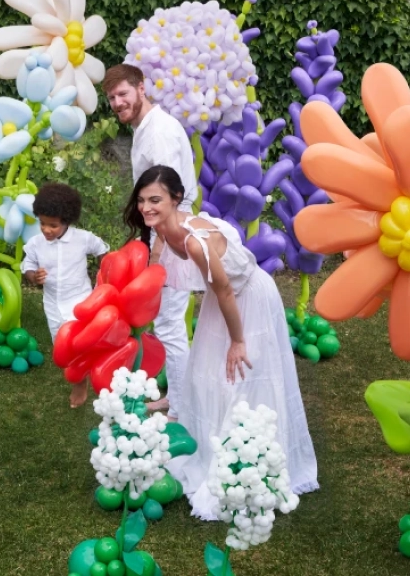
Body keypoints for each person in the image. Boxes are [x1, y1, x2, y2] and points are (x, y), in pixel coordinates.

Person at [124, 165, 318, 521]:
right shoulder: (162, 230)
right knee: (204, 376)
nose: (147, 207)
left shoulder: (193, 240)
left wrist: (238, 341)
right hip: (221, 302)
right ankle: (211, 450)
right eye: (141, 200)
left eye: (155, 200)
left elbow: (226, 288)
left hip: (247, 300)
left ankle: (247, 461)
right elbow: (155, 269)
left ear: (175, 199)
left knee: (239, 379)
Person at [103, 63, 198, 417]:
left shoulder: (157, 132)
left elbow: (165, 197)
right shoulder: (148, 127)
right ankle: (176, 396)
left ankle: (183, 409)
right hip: (165, 232)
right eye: (112, 97)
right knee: (168, 322)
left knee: (171, 324)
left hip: (172, 235)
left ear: (142, 88)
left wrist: (158, 252)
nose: (117, 102)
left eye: (123, 93)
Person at [21, 182, 109, 408]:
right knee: (61, 347)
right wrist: (33, 276)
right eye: (42, 223)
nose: (46, 230)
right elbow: (27, 264)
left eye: (53, 225)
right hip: (52, 304)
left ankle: (80, 383)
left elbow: (103, 251)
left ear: (67, 220)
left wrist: (105, 276)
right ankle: (79, 373)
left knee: (79, 344)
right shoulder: (36, 243)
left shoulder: (83, 238)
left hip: (80, 302)